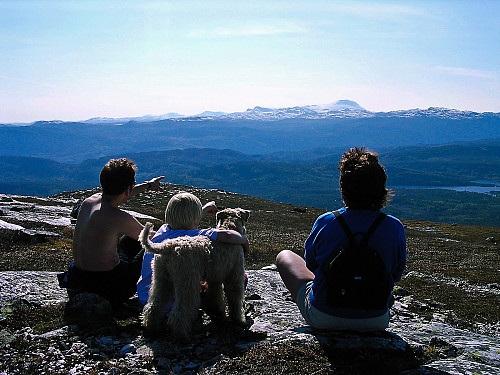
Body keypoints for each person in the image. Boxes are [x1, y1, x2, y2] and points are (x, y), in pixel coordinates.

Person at [276, 147, 406, 331]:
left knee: (284, 256)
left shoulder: (327, 221)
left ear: (343, 187)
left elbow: (312, 264)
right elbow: (395, 274)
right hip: (376, 320)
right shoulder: (394, 227)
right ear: (381, 188)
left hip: (323, 316)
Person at [58, 158, 164, 307]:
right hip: (108, 288)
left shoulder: (89, 202)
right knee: (154, 246)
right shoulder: (118, 217)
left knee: (130, 240)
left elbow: (119, 193)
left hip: (76, 280)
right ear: (128, 188)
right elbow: (157, 239)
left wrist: (148, 185)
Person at [137, 192, 250, 310]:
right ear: (196, 221)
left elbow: (183, 219)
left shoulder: (163, 230)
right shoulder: (193, 235)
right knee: (237, 278)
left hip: (146, 297)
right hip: (177, 303)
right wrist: (244, 240)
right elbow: (227, 235)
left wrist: (204, 208)